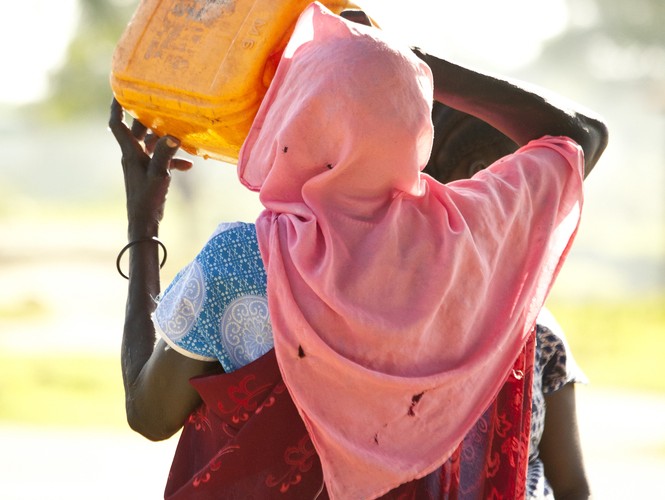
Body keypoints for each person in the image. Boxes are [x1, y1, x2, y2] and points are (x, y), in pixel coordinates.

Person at [109, 4, 608, 498]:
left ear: (290, 121)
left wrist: (142, 220)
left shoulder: (241, 259)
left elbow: (149, 415)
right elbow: (581, 135)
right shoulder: (464, 246)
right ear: (415, 128)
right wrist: (408, 62)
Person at [424, 102, 591, 499]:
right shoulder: (536, 323)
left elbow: (571, 485)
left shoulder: (540, 329)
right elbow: (572, 486)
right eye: (526, 178)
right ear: (479, 172)